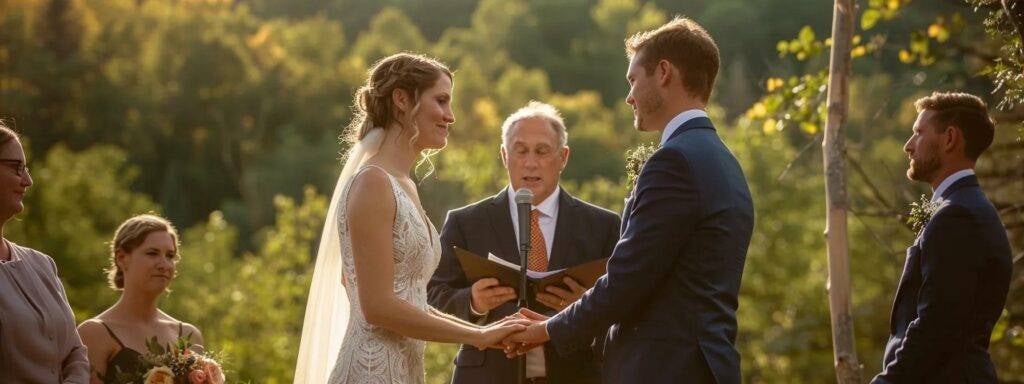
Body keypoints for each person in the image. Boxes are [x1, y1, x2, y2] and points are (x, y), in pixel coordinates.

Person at [506, 17, 755, 384]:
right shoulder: (724, 162)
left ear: (664, 72)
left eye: (633, 79)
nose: (629, 96)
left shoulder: (674, 162)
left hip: (664, 369)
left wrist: (548, 331)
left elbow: (627, 280)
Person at [293, 53, 527, 384]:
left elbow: (410, 301)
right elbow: (377, 307)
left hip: (406, 371)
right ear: (402, 99)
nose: (451, 116)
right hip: (369, 372)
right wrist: (478, 338)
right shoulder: (373, 182)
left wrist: (484, 330)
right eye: (442, 101)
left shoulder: (404, 184)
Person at [428, 101, 621, 384]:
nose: (530, 162)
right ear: (505, 155)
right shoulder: (466, 222)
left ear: (563, 156)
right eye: (520, 151)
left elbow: (624, 306)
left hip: (575, 374)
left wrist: (586, 307)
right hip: (487, 375)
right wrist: (473, 302)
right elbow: (432, 297)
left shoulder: (603, 226)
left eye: (542, 151)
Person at [871, 92, 1012, 383]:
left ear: (949, 139)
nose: (907, 146)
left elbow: (937, 325)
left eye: (918, 133)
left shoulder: (957, 216)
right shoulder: (965, 208)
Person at [0, 121, 90, 383]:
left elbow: (76, 351)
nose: (28, 181)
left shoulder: (42, 265)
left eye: (26, 168)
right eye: (17, 167)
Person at [78, 214, 205, 383]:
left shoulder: (189, 335)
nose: (164, 265)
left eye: (170, 256)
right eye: (152, 253)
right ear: (122, 258)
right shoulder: (94, 333)